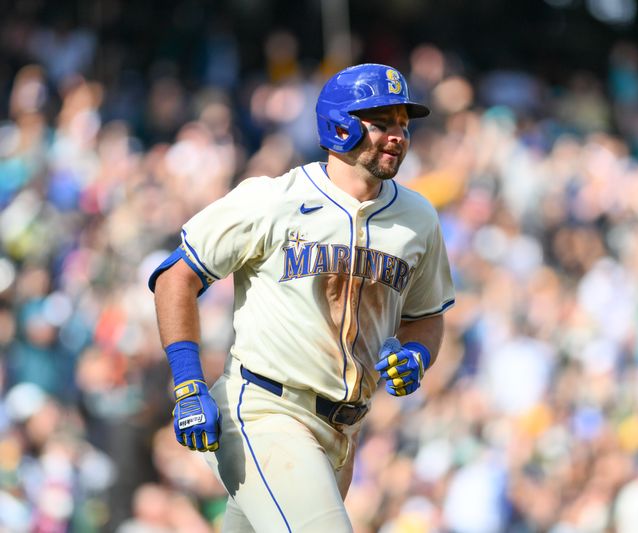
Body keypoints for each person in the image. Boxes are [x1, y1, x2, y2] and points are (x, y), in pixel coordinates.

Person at [148, 63, 455, 532]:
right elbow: (176, 277)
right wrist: (189, 385)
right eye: (382, 122)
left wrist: (417, 352)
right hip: (265, 412)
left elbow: (425, 317)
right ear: (341, 125)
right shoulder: (275, 199)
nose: (398, 135)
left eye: (403, 124)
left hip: (343, 433)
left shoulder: (418, 217)